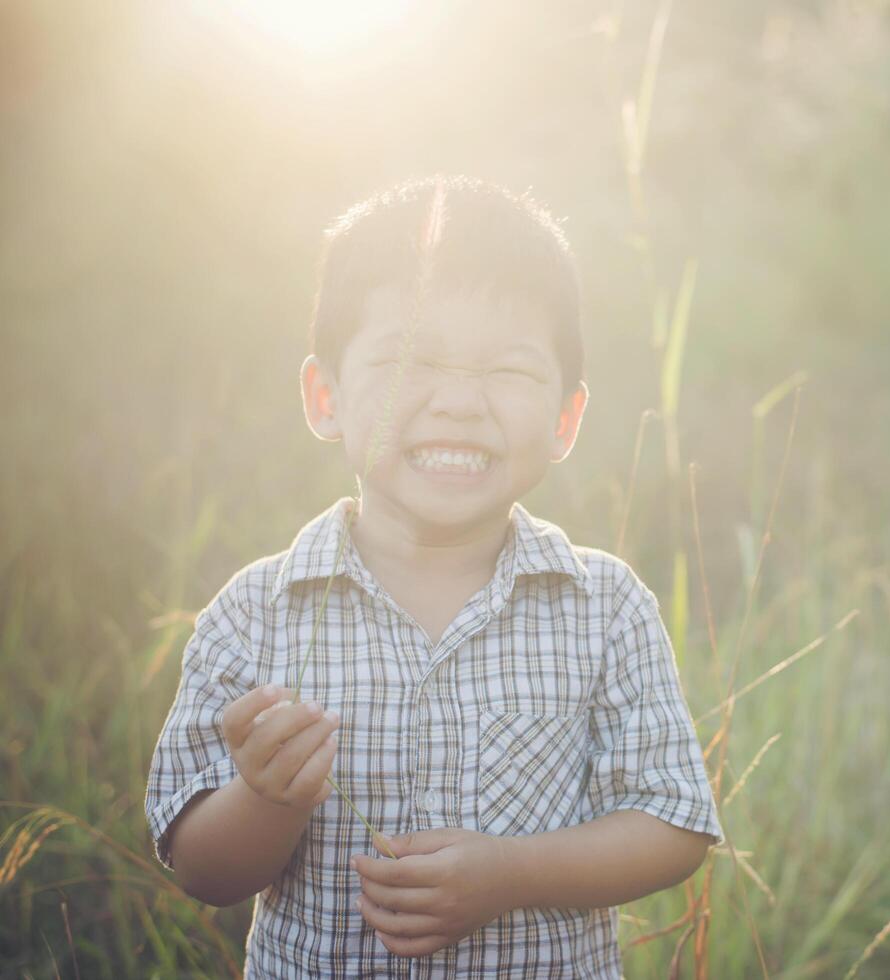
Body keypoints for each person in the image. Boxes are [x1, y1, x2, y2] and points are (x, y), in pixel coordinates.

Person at [144, 174, 723, 977]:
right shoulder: (255, 613)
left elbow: (673, 824)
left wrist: (510, 874)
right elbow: (202, 869)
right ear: (326, 397)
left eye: (508, 372)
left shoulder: (604, 606)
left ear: (565, 420)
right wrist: (268, 797)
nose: (458, 401)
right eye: (410, 359)